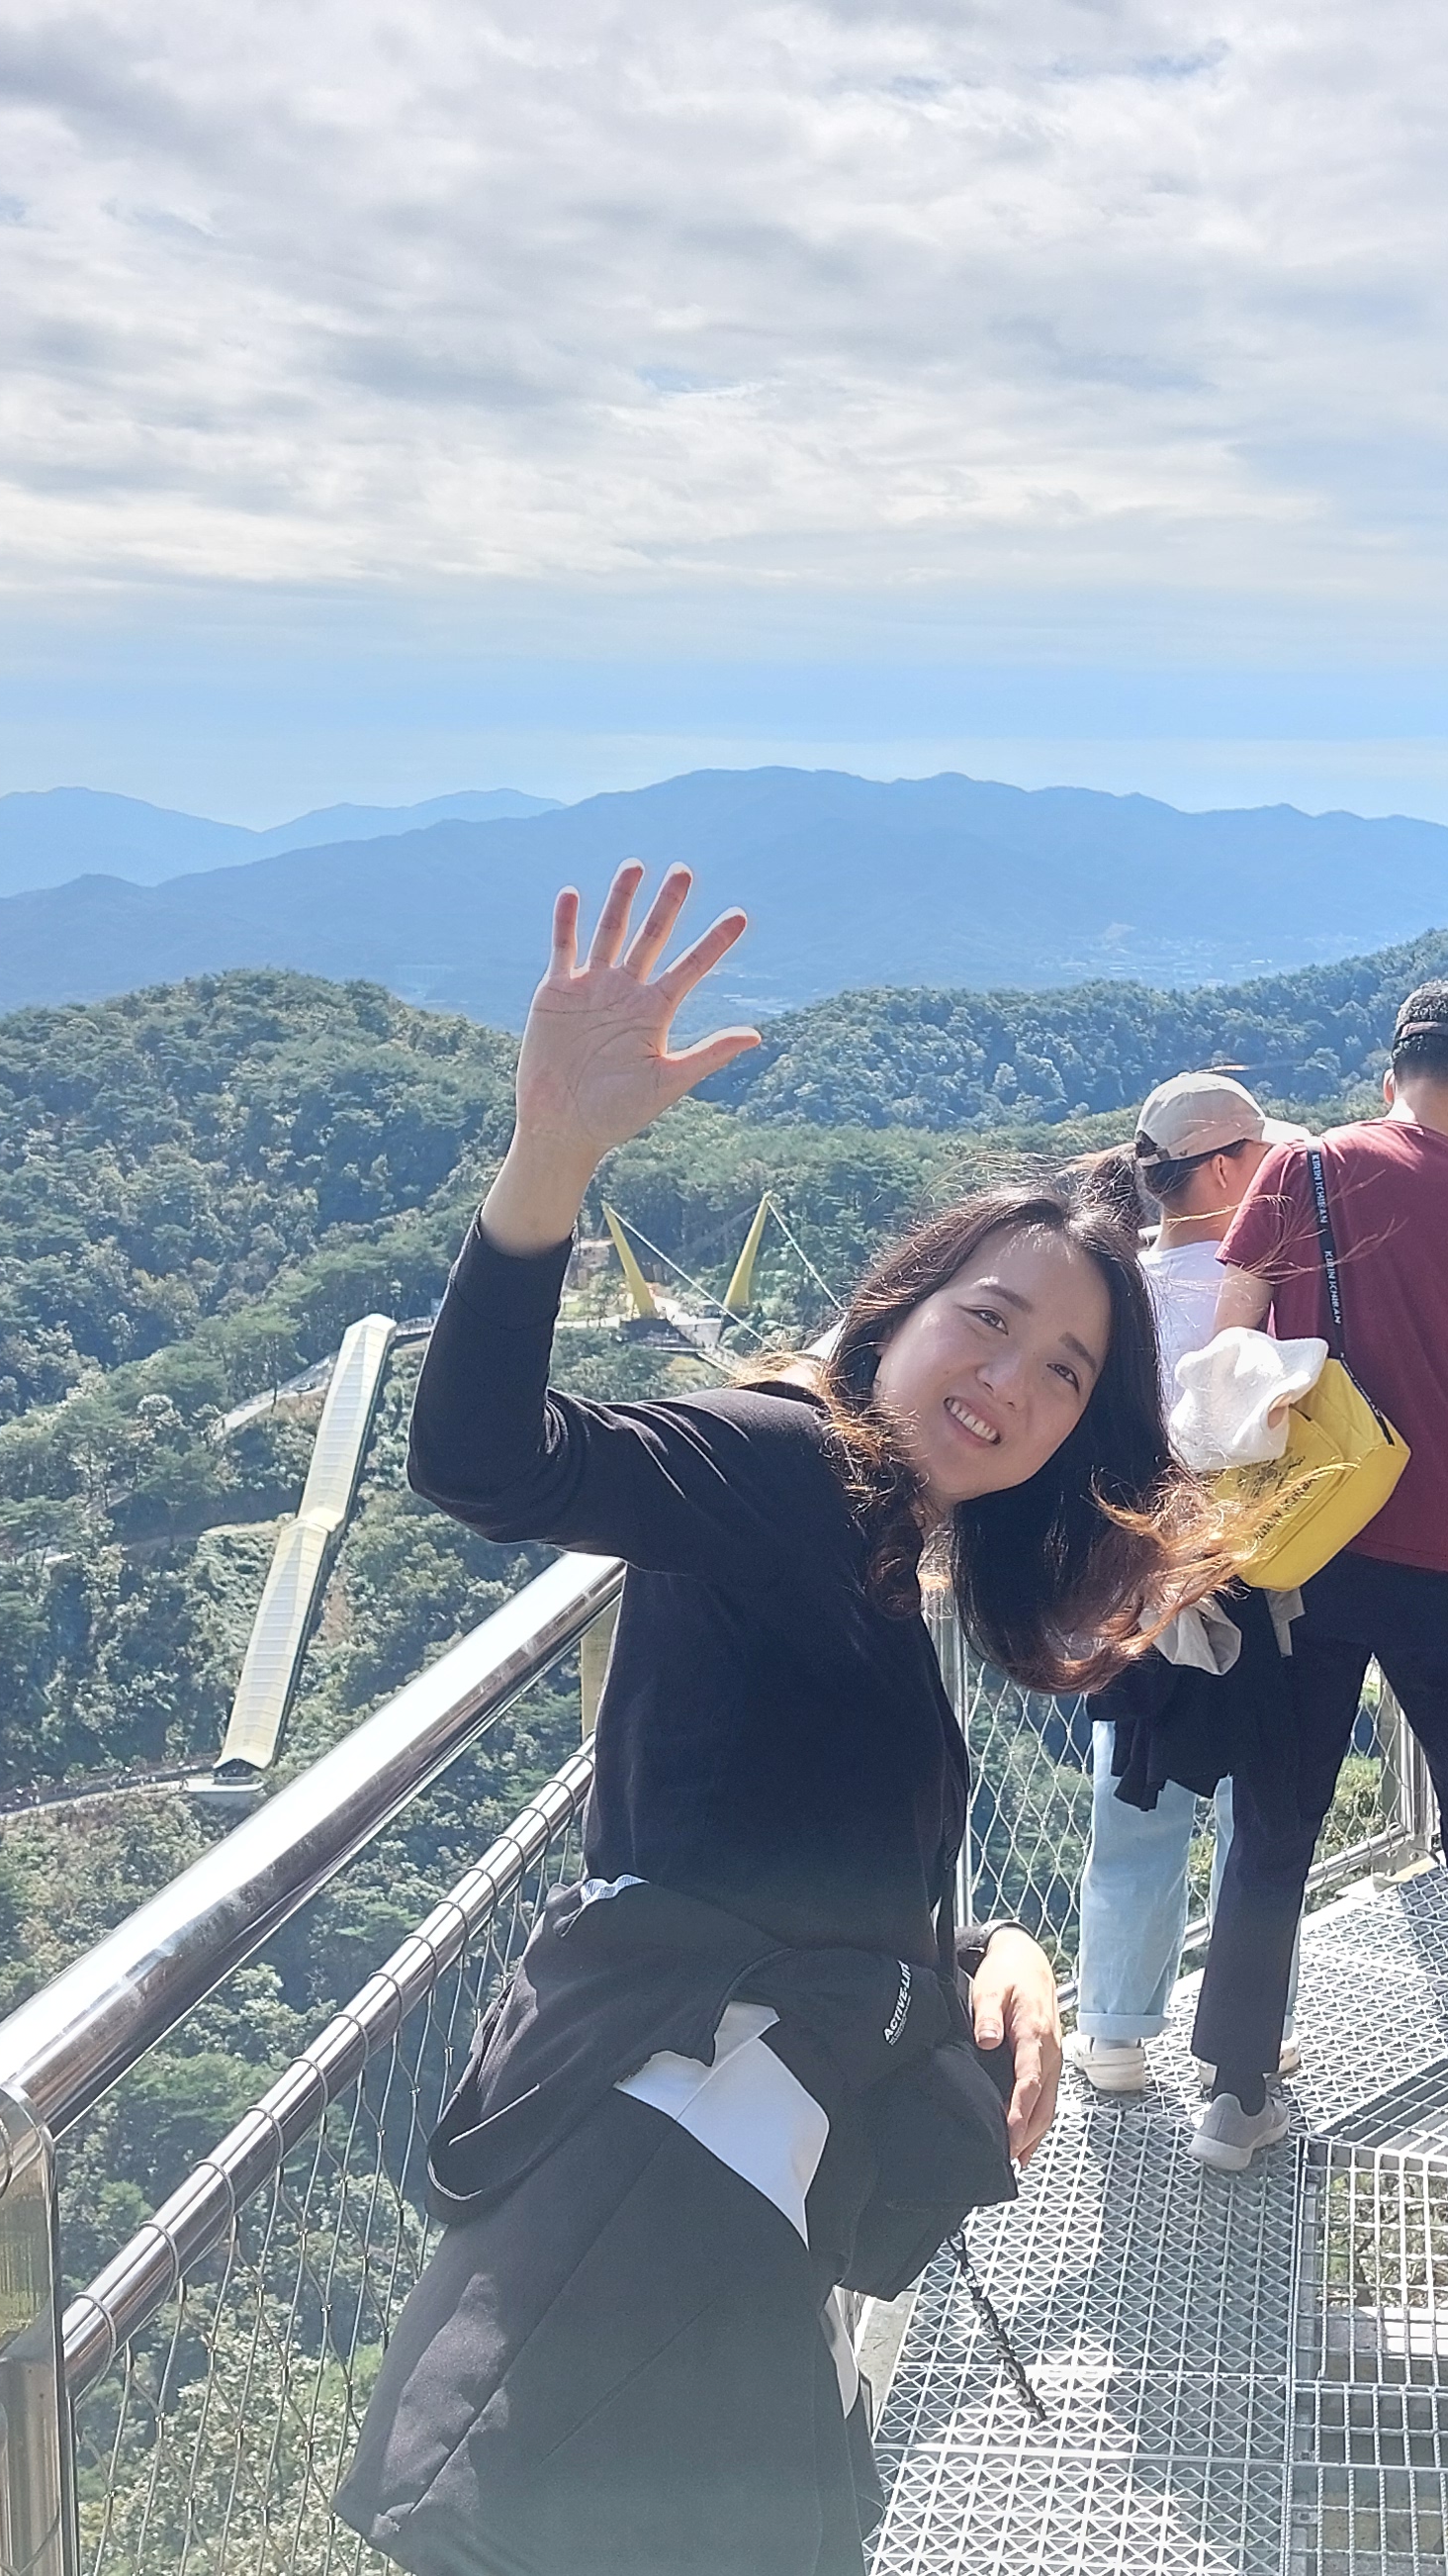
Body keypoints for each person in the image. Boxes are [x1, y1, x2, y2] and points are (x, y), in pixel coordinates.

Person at [347, 865, 1213, 2576]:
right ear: (894, 1316)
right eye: (988, 1322)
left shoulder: (884, 1540)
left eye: (1062, 1371)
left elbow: (795, 1850)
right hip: (653, 2187)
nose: (1012, 1382)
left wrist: (991, 1949)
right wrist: (549, 1160)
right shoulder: (782, 1460)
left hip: (726, 2175)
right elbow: (485, 1463)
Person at [1199, 979, 1448, 2169]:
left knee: (1275, 1820)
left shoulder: (1301, 1168)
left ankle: (1235, 2097)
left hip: (1308, 1549)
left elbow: (1229, 1359)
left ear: (1394, 1068)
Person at [1062, 1071, 1299, 2092]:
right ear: (1225, 1168)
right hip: (1258, 1575)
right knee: (1261, 1813)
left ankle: (1113, 2031)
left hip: (1132, 1578)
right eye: (1263, 1154)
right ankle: (1250, 2033)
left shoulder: (1107, 1293)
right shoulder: (1273, 1290)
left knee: (1135, 1799)